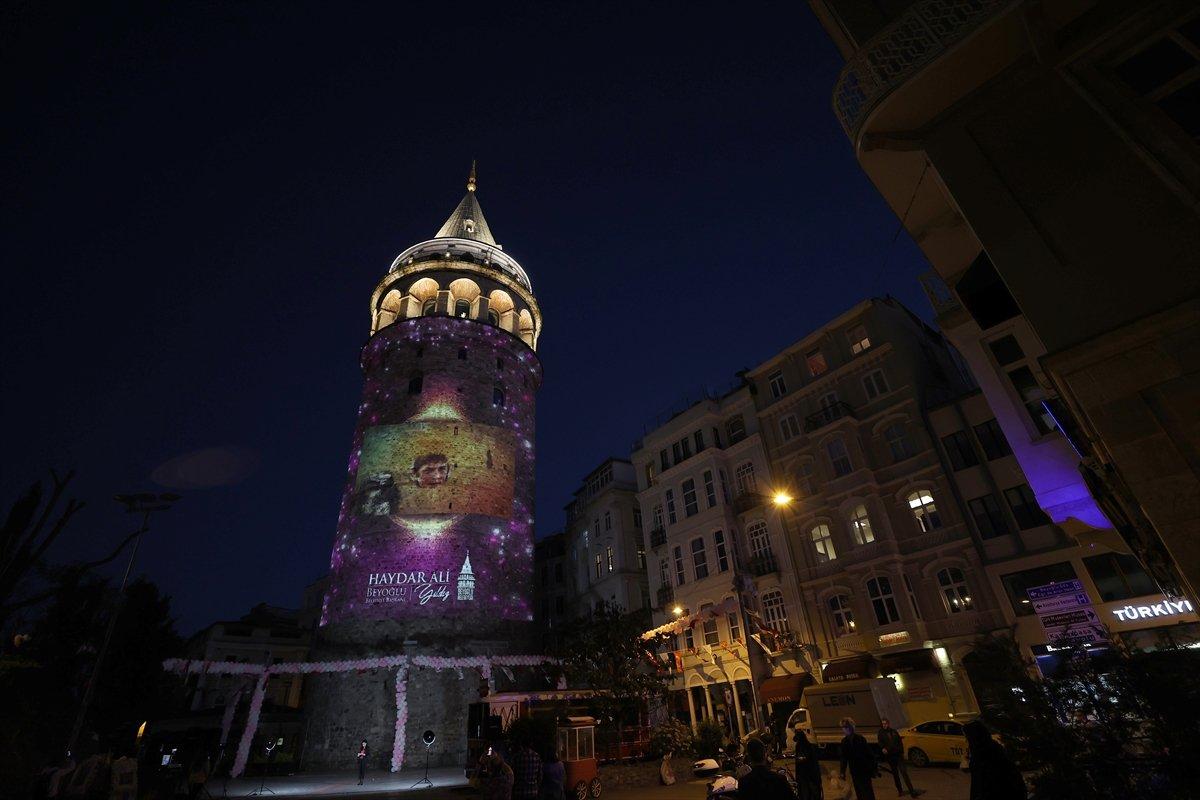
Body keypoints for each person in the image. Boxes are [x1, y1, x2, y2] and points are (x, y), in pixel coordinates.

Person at [963, 721, 1025, 800]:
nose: (966, 741)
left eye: (967, 738)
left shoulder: (983, 757)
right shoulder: (994, 750)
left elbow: (982, 786)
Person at [877, 718, 922, 797]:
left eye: (885, 723)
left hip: (898, 755)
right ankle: (900, 790)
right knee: (895, 775)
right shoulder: (881, 733)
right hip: (891, 757)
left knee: (904, 773)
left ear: (888, 723)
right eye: (883, 724)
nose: (884, 725)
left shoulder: (893, 731)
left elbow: (899, 742)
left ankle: (912, 791)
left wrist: (901, 752)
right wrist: (883, 748)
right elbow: (880, 743)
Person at [839, 717, 878, 800]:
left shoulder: (860, 739)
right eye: (843, 728)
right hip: (854, 771)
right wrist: (842, 771)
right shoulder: (844, 742)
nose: (844, 730)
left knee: (868, 792)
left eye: (846, 727)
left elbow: (869, 754)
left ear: (851, 728)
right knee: (859, 792)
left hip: (864, 770)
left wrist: (873, 768)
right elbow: (844, 758)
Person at [793, 729, 823, 800]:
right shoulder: (802, 746)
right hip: (805, 775)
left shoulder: (807, 747)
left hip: (808, 775)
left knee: (808, 793)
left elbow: (806, 759)